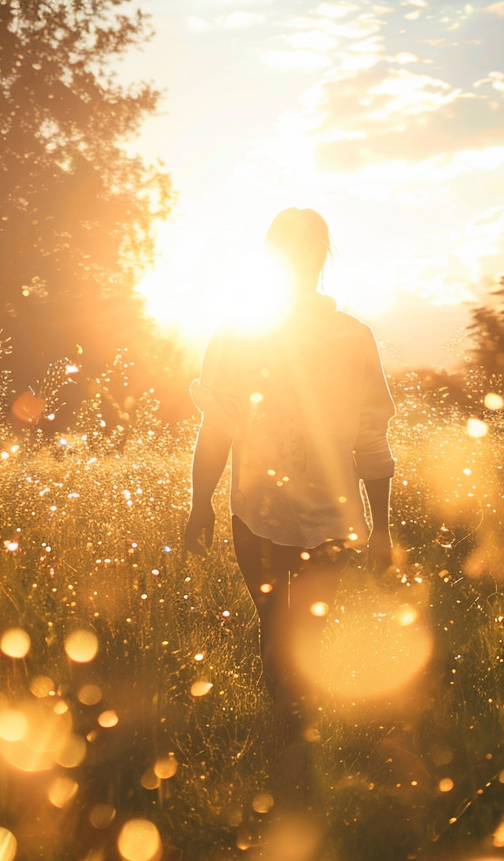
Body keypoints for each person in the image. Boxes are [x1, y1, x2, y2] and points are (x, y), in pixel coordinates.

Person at [184, 208, 396, 742]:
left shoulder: (242, 333)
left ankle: (287, 743)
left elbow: (217, 431)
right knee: (300, 634)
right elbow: (372, 442)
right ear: (324, 257)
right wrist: (381, 527)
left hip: (260, 515)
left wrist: (200, 503)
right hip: (311, 518)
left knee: (280, 631)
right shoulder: (349, 337)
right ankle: (292, 741)